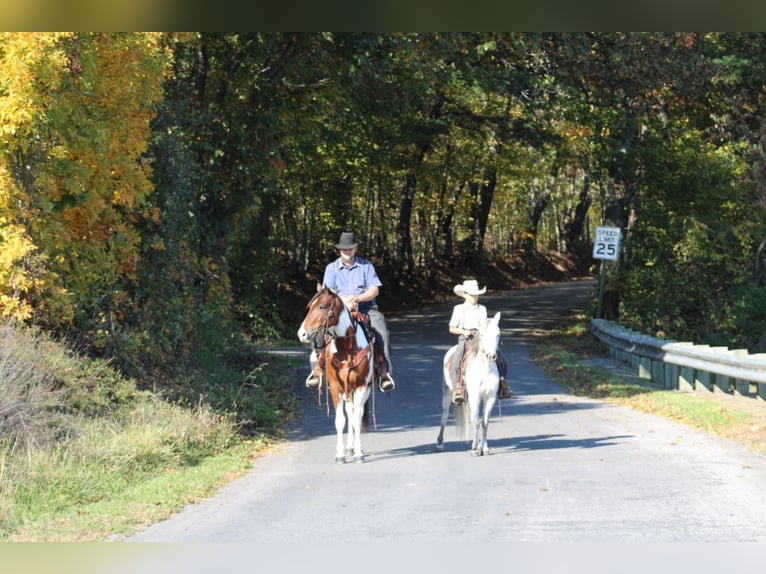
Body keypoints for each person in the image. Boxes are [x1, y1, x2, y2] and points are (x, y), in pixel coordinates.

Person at [305, 231, 396, 393]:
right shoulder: (332, 268)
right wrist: (344, 300)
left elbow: (374, 290)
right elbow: (327, 292)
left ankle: (384, 372)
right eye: (343, 249)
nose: (347, 252)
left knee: (382, 331)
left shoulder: (366, 266)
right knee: (318, 328)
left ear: (355, 249)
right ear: (339, 250)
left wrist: (358, 299)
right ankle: (317, 370)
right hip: (338, 308)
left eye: (350, 248)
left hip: (366, 308)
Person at [448, 279, 512, 404]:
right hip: (466, 336)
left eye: (476, 294)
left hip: (481, 336)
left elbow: (485, 325)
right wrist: (463, 331)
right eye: (472, 295)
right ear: (465, 295)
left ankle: (502, 385)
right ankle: (458, 388)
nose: (474, 297)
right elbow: (452, 328)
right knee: (457, 358)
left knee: (500, 358)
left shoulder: (482, 308)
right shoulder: (459, 309)